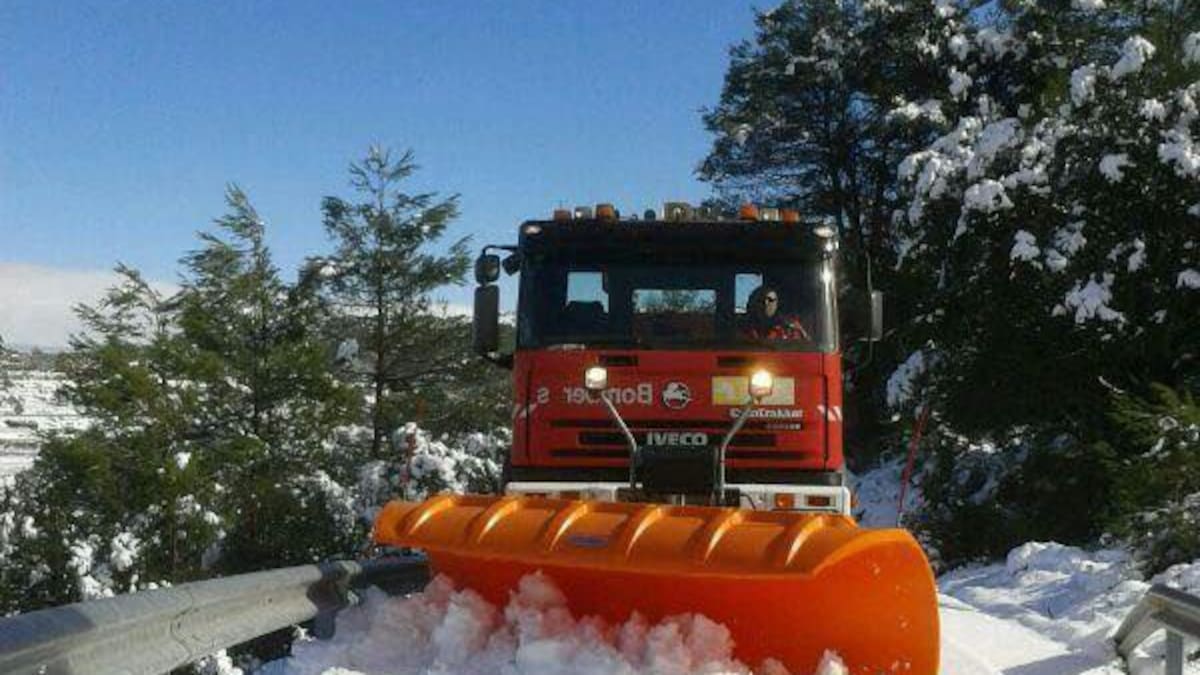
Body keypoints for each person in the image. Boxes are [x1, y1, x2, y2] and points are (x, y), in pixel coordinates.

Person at [743, 285, 810, 341]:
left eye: (771, 300)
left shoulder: (790, 329)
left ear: (777, 303)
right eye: (761, 300)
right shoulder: (741, 329)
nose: (766, 304)